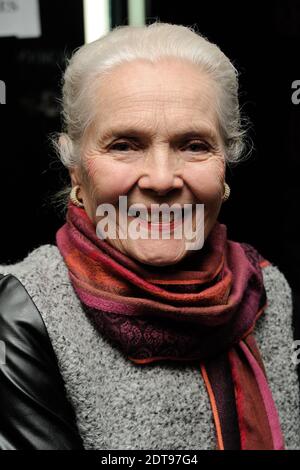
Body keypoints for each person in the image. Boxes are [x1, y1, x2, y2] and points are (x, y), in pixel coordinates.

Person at [0, 21, 299, 450]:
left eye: (194, 145)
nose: (161, 179)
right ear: (76, 172)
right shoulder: (25, 312)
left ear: (226, 167)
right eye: (124, 145)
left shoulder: (267, 289)